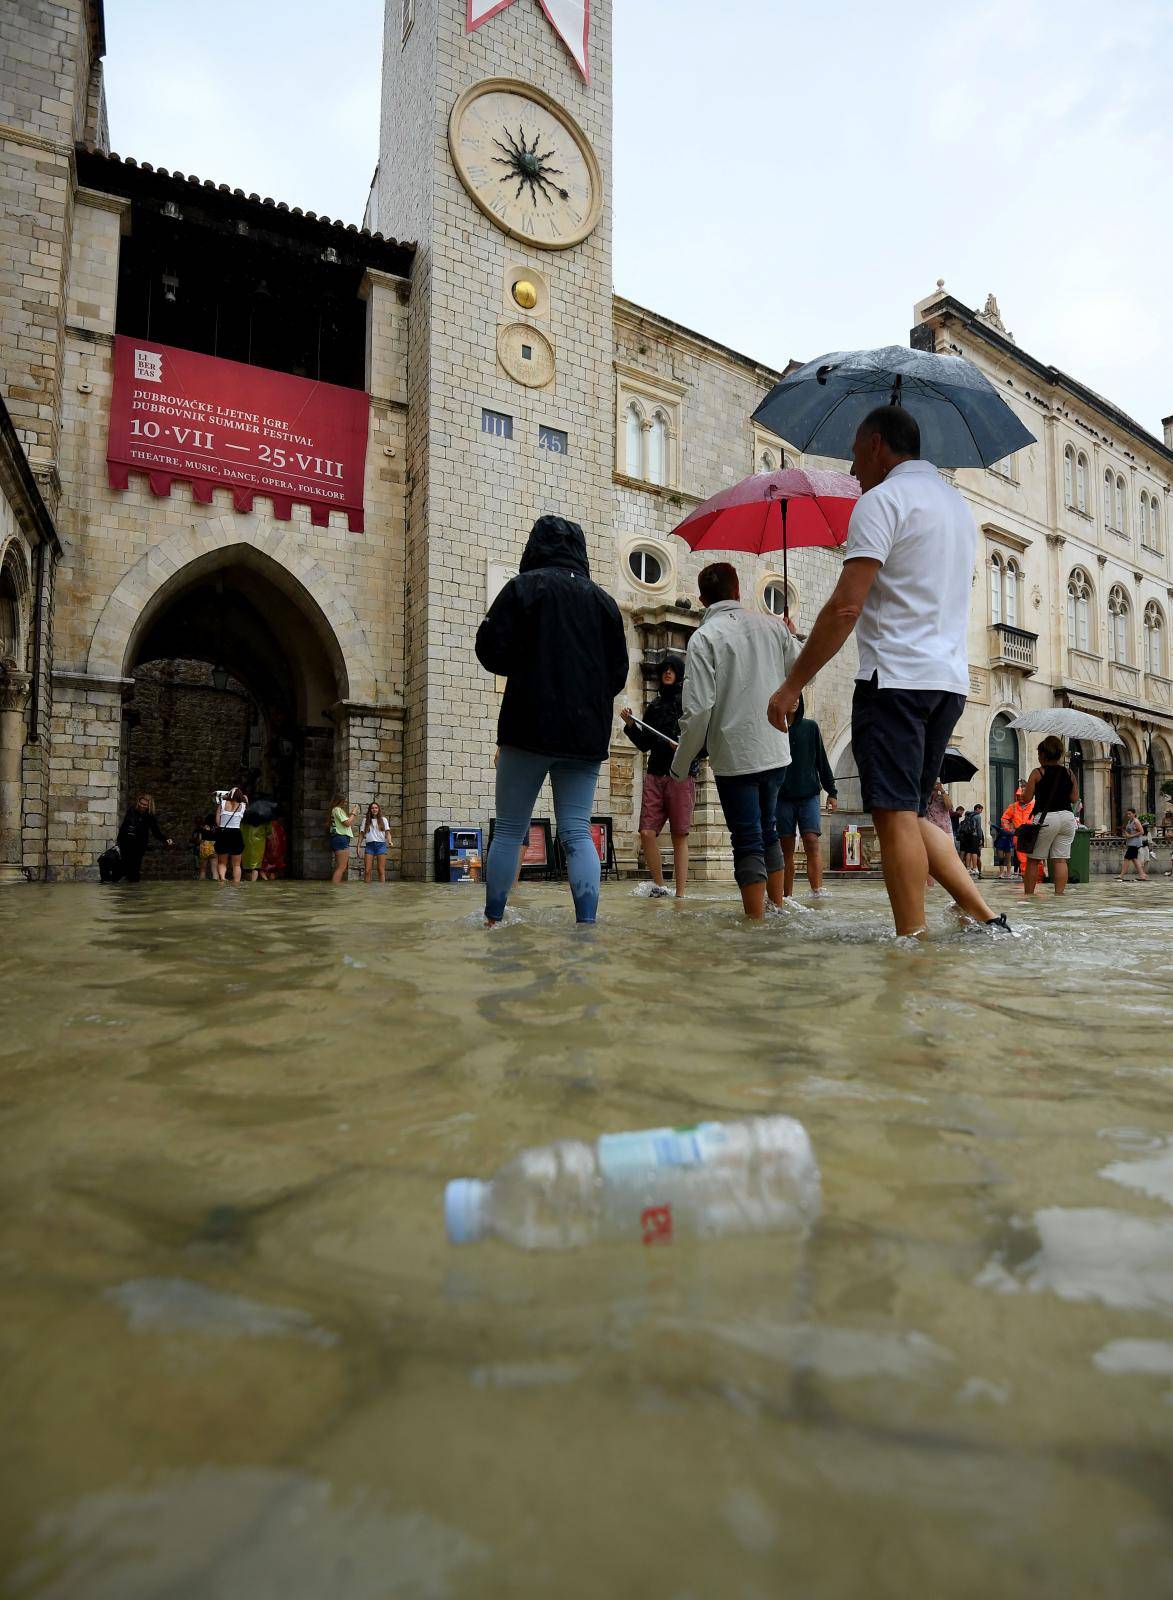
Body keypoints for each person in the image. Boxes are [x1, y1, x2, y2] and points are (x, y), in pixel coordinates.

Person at [766, 405, 1012, 937]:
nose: (853, 471)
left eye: (855, 455)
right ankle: (986, 917)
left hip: (895, 679)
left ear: (877, 444)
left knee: (894, 813)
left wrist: (792, 685)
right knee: (912, 813)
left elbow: (844, 608)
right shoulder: (957, 508)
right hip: (946, 684)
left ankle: (912, 944)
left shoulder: (882, 501)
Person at [476, 515, 628, 926]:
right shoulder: (605, 604)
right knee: (578, 832)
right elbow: (618, 675)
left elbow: (490, 651)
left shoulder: (523, 588)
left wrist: (528, 664)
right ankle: (586, 925)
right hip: (585, 735)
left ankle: (493, 920)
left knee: (509, 829)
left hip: (527, 725)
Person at [670, 562, 799, 920]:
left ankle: (755, 924)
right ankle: (778, 909)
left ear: (701, 600)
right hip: (775, 749)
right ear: (739, 590)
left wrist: (681, 765)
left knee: (746, 837)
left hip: (735, 754)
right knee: (769, 830)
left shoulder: (704, 638)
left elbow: (698, 711)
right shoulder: (773, 627)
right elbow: (802, 672)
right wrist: (790, 634)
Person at [620, 654, 698, 899]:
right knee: (646, 832)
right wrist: (630, 725)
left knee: (679, 834)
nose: (667, 673)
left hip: (681, 774)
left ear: (679, 674)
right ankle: (660, 886)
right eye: (664, 669)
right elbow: (644, 744)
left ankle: (681, 894)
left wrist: (684, 748)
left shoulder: (689, 705)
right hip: (655, 773)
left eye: (672, 670)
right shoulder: (653, 707)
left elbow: (702, 743)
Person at [774, 693, 837, 900]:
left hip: (809, 794)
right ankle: (786, 896)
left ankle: (817, 891)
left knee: (812, 841)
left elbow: (822, 761)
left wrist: (832, 792)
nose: (794, 701)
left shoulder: (810, 728)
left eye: (798, 699)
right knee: (786, 848)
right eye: (791, 697)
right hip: (782, 797)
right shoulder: (774, 729)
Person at [1019, 737, 1080, 896]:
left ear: (1044, 754)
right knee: (1060, 860)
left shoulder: (1038, 772)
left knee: (1033, 860)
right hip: (1067, 818)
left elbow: (1026, 799)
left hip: (1047, 819)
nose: (1038, 757)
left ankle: (1029, 896)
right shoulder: (1069, 772)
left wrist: (1026, 788)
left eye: (1039, 753)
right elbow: (1074, 798)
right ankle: (1059, 895)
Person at [116, 794, 172, 883]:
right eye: (141, 803)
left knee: (135, 868)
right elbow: (124, 827)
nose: (142, 805)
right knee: (124, 866)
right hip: (126, 843)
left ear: (149, 806)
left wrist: (165, 839)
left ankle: (135, 890)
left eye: (145, 804)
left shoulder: (150, 817)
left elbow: (156, 832)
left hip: (139, 845)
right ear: (138, 802)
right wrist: (118, 842)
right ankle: (124, 891)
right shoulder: (131, 811)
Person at [214, 787, 248, 883]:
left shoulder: (222, 804)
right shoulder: (243, 805)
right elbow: (245, 798)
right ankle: (236, 882)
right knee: (236, 864)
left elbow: (217, 822)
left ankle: (223, 880)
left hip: (223, 833)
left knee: (222, 862)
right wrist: (242, 797)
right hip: (236, 834)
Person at [1001, 784, 1033, 879]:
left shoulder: (1034, 805)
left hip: (1033, 833)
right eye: (1018, 796)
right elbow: (1004, 819)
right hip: (1019, 835)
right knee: (1023, 859)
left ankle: (1037, 878)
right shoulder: (1013, 806)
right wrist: (1009, 829)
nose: (1020, 798)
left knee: (1035, 858)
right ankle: (1026, 878)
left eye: (1021, 796)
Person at [361, 801, 392, 883]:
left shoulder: (383, 820)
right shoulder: (365, 820)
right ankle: (366, 892)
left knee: (380, 870)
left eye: (376, 808)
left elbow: (387, 833)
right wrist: (358, 846)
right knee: (367, 870)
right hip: (369, 846)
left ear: (378, 809)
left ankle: (381, 891)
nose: (374, 809)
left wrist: (390, 841)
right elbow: (361, 834)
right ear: (370, 810)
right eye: (372, 808)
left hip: (381, 845)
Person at [329, 795, 357, 884]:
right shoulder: (337, 809)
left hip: (338, 838)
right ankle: (335, 888)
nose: (346, 803)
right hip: (341, 838)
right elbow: (347, 823)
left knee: (340, 866)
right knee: (342, 867)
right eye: (344, 801)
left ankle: (336, 888)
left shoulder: (335, 810)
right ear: (339, 801)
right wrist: (353, 813)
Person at [1118, 808, 1148, 881]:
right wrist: (1126, 834)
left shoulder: (1136, 821)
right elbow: (1129, 831)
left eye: (1130, 814)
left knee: (1127, 858)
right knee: (1134, 859)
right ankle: (1142, 875)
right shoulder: (1129, 821)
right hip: (1130, 842)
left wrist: (1131, 836)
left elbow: (1142, 832)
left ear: (1134, 814)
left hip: (1135, 843)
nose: (1128, 815)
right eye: (1127, 814)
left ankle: (1121, 875)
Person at [958, 804, 985, 877]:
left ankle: (968, 867)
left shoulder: (969, 815)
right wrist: (980, 838)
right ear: (977, 809)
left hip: (968, 836)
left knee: (969, 852)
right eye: (981, 809)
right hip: (974, 835)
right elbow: (978, 828)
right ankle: (975, 868)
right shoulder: (977, 816)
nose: (981, 811)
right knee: (975, 852)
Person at [259, 815, 287, 880]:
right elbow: (283, 840)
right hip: (277, 852)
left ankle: (266, 881)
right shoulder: (279, 827)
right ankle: (270, 882)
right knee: (272, 870)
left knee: (262, 868)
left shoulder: (268, 826)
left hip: (269, 850)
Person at [191, 811, 216, 880]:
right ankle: (215, 877)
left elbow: (199, 839)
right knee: (214, 865)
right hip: (213, 845)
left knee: (203, 867)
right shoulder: (216, 828)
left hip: (204, 845)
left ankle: (202, 878)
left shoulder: (202, 828)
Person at [992, 812, 1017, 879]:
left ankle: (1008, 873)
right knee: (1001, 859)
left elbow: (1011, 833)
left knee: (1008, 859)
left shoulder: (1012, 828)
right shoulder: (1001, 829)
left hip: (1007, 844)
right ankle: (1001, 872)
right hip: (1000, 844)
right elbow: (998, 829)